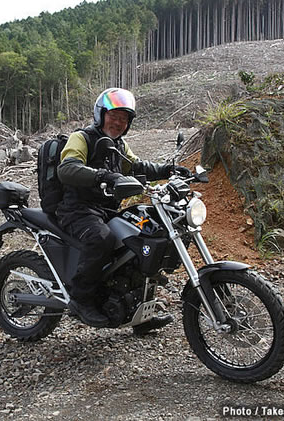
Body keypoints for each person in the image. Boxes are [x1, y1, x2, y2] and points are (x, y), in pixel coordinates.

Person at [56, 87, 189, 328]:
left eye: (124, 118)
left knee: (142, 239)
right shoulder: (82, 138)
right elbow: (66, 169)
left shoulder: (118, 145)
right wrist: (104, 176)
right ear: (101, 114)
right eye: (114, 116)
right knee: (101, 239)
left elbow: (138, 166)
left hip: (106, 210)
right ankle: (80, 299)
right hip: (78, 209)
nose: (118, 122)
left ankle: (137, 311)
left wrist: (168, 170)